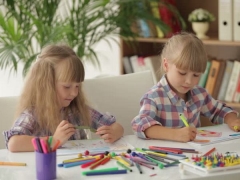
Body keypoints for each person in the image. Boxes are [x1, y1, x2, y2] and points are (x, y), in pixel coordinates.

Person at [4, 44, 124, 152]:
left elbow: (115, 126)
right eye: (67, 87)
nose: (74, 93)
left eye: (77, 86)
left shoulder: (77, 110)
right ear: (46, 85)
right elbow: (14, 143)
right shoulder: (33, 114)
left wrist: (114, 132)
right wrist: (54, 140)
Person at [131, 32, 240, 142]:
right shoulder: (154, 96)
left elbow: (219, 110)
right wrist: (175, 134)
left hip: (194, 155)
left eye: (196, 75)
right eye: (182, 73)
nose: (189, 81)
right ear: (166, 65)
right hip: (165, 156)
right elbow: (140, 124)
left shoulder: (199, 94)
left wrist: (233, 120)